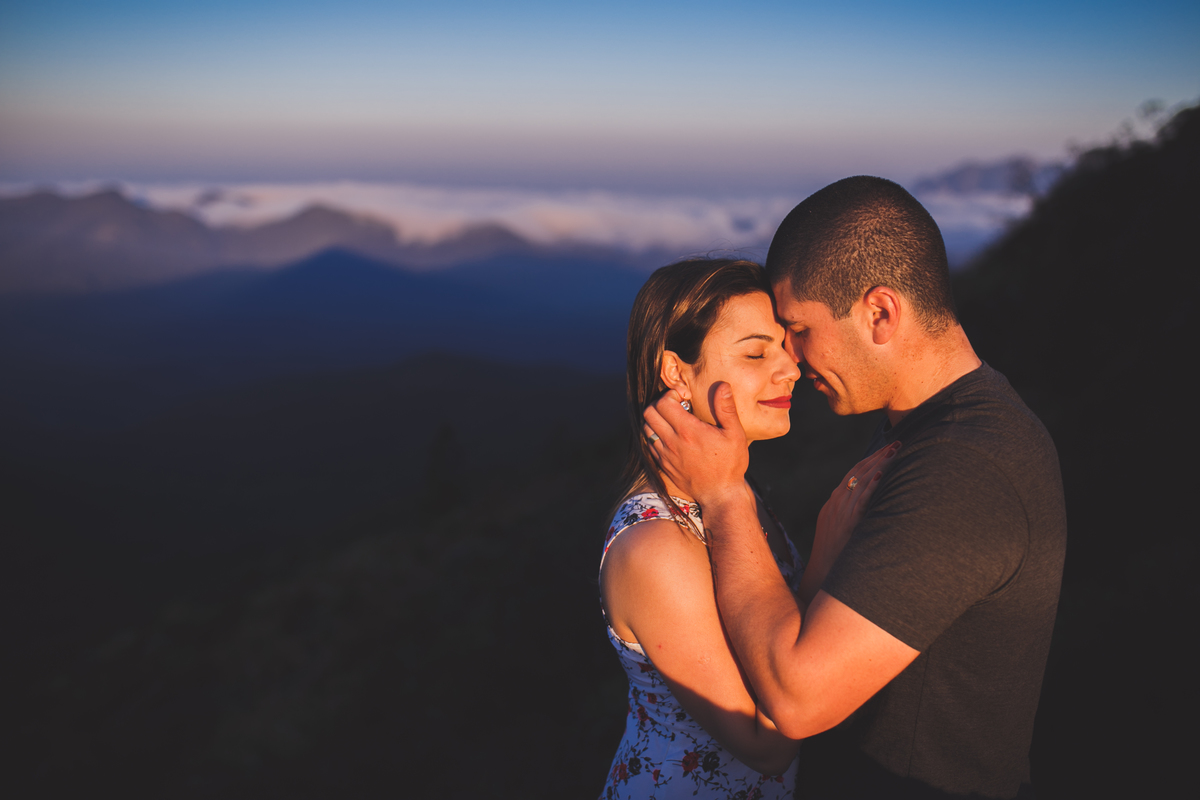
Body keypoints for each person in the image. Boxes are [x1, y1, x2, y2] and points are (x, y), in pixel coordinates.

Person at [644, 177, 1067, 800]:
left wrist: (725, 495)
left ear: (879, 313)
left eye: (799, 329)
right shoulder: (930, 433)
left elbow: (798, 699)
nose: (792, 358)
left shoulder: (966, 466)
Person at [599, 258, 895, 799]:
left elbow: (780, 655)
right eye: (757, 352)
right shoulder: (657, 545)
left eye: (786, 347)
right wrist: (823, 552)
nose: (789, 369)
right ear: (676, 372)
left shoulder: (731, 494)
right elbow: (768, 744)